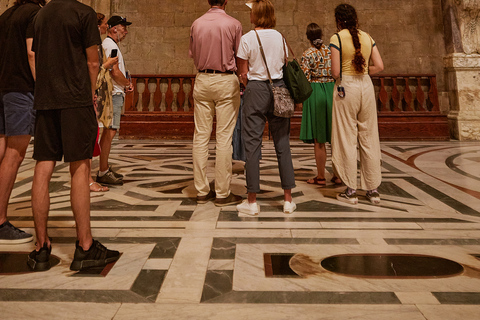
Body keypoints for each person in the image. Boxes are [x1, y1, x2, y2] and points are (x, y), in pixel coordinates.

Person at [28, 0, 120, 272]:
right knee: (80, 168)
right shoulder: (84, 13)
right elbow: (93, 62)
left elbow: (35, 56)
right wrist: (90, 94)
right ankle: (85, 246)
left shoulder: (41, 15)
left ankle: (41, 247)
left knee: (42, 167)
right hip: (75, 99)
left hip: (46, 99)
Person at [236, 0, 296, 216]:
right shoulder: (280, 37)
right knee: (283, 144)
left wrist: (251, 85)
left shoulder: (247, 38)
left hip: (256, 89)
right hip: (279, 88)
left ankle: (252, 202)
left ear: (257, 15)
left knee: (252, 146)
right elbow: (284, 62)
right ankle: (288, 200)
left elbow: (242, 72)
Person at [189, 0, 243, 207]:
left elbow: (193, 53)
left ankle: (201, 191)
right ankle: (222, 193)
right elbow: (240, 57)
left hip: (202, 78)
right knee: (224, 138)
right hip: (225, 79)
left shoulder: (197, 23)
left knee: (200, 136)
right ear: (226, 1)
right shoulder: (234, 24)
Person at [0, 0, 46, 244]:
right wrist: (43, 88)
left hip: (3, 87)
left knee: (1, 149)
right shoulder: (35, 13)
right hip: (21, 89)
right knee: (15, 153)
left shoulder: (6, 15)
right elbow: (32, 52)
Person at [329, 3, 384, 205]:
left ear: (338, 20)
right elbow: (380, 65)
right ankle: (373, 190)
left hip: (346, 86)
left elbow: (335, 72)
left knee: (347, 137)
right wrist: (363, 71)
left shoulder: (337, 38)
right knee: (369, 137)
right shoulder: (368, 37)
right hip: (366, 86)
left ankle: (351, 190)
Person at [299, 23, 341, 187]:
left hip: (315, 91)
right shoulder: (330, 51)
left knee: (319, 138)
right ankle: (338, 175)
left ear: (308, 37)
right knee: (335, 136)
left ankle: (321, 176)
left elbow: (305, 79)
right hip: (332, 90)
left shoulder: (308, 54)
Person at [96, 15, 132, 186]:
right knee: (109, 132)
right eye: (123, 27)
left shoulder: (111, 44)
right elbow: (114, 72)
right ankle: (103, 171)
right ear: (113, 28)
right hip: (114, 93)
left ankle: (104, 168)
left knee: (109, 132)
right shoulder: (110, 45)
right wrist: (128, 84)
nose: (126, 31)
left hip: (115, 92)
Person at [87, 12, 119, 193]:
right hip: (93, 96)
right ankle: (88, 179)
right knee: (91, 139)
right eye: (105, 23)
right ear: (98, 26)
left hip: (98, 97)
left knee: (94, 137)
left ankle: (89, 178)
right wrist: (106, 65)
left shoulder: (97, 45)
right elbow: (93, 72)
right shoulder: (93, 46)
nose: (107, 26)